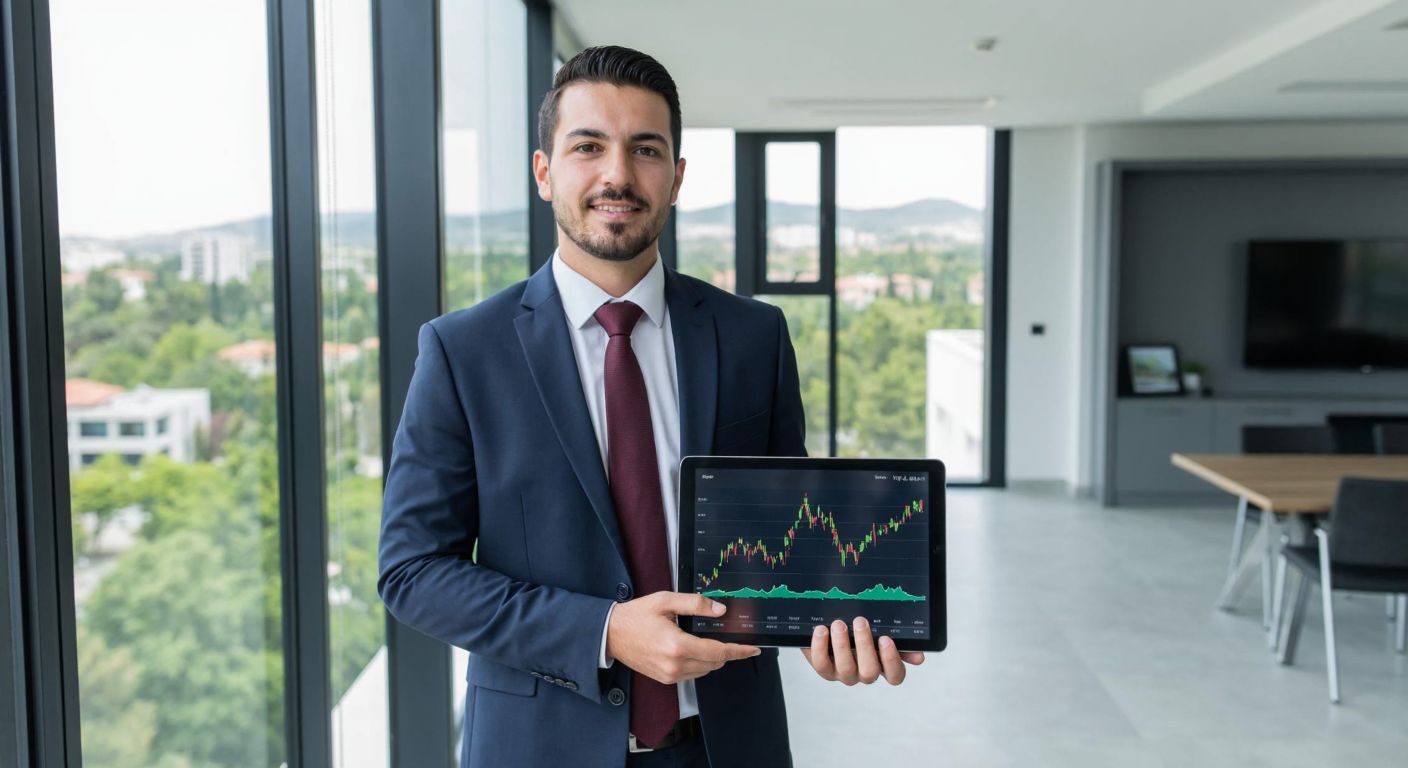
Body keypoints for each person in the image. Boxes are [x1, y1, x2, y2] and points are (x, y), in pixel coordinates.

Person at [378, 45, 924, 768]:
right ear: (545, 172)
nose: (617, 174)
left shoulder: (754, 336)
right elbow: (412, 571)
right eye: (588, 147)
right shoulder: (462, 350)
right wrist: (602, 630)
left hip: (728, 745)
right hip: (540, 748)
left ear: (677, 177)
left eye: (645, 149)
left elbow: (790, 543)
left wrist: (828, 630)